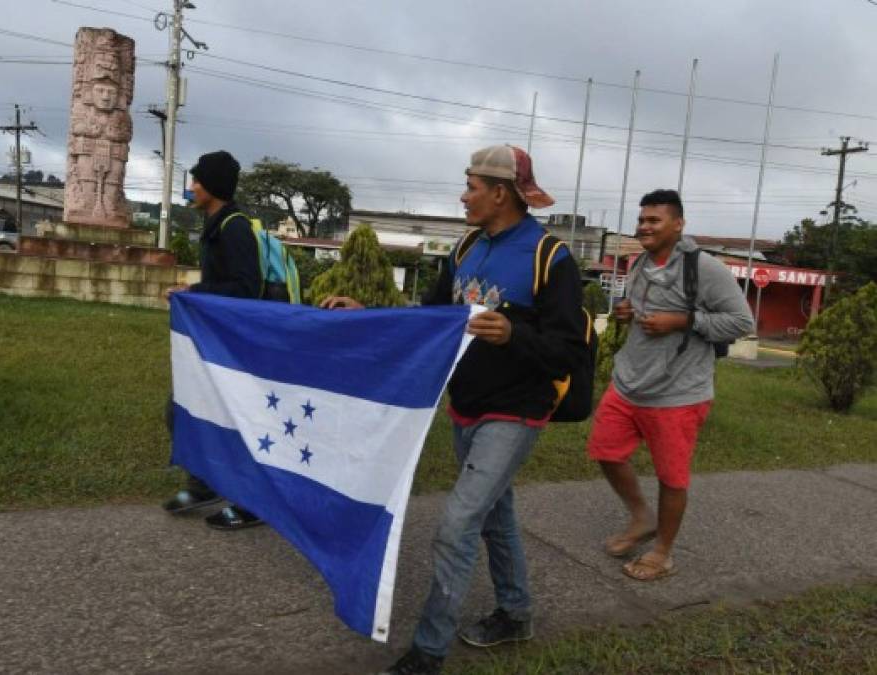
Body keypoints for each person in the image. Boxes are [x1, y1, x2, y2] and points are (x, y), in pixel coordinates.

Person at [322, 145, 588, 675]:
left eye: (471, 186)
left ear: (500, 192)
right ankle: (516, 614)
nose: (463, 195)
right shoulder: (466, 247)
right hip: (465, 405)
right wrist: (369, 312)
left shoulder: (549, 256)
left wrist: (514, 332)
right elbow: (433, 321)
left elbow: (569, 349)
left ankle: (429, 650)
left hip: (517, 410)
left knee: (458, 522)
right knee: (494, 515)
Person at [587, 189, 753, 581]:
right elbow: (643, 310)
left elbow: (743, 322)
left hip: (678, 392)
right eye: (642, 219)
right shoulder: (639, 263)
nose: (644, 226)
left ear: (678, 224)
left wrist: (683, 321)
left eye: (654, 220)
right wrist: (628, 312)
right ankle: (642, 517)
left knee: (671, 476)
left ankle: (662, 551)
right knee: (605, 451)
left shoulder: (705, 268)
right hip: (629, 382)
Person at [163, 149, 266, 531]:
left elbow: (247, 287)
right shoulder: (215, 223)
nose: (192, 187)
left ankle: (252, 501)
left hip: (237, 344)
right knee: (182, 409)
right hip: (215, 340)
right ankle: (204, 485)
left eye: (197, 181)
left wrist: (196, 293)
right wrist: (192, 293)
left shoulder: (234, 227)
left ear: (214, 186)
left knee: (238, 421)